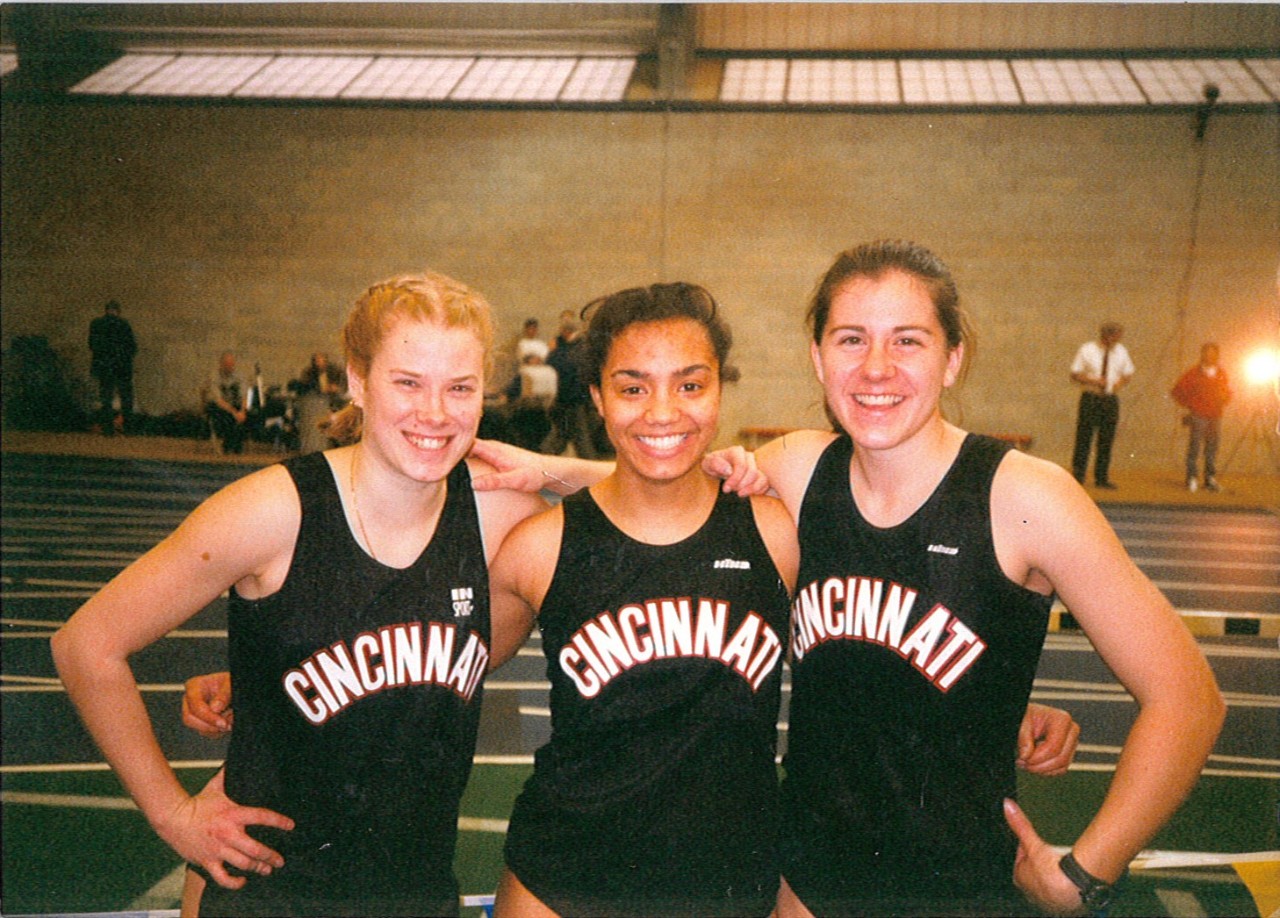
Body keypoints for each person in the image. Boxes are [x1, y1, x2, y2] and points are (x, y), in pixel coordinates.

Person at [472, 240, 1221, 917]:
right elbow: (666, 473)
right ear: (818, 357)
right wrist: (551, 470)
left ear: (954, 356)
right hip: (802, 884)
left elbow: (1188, 698)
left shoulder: (1027, 497)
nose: (876, 369)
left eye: (909, 341)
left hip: (958, 893)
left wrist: (1090, 868)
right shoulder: (799, 471)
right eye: (851, 340)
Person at [52, 271, 547, 917]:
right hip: (269, 894)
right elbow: (86, 644)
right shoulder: (272, 511)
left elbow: (475, 648)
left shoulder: (503, 510)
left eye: (460, 388)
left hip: (415, 893)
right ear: (355, 380)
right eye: (408, 382)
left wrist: (280, 672)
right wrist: (173, 813)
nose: (436, 413)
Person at [488, 282, 799, 916]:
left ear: (719, 390)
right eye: (634, 388)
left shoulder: (777, 530)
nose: (663, 412)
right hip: (563, 882)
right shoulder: (538, 548)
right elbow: (428, 680)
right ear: (598, 399)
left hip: (731, 886)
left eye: (690, 385)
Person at [1070, 321, 1135, 489]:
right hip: (1091, 397)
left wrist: (1118, 384)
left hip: (1109, 399)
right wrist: (1094, 380)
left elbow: (1128, 373)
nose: (1115, 341)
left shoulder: (1121, 351)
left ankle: (1101, 477)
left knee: (1106, 439)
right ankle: (1078, 476)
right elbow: (1075, 374)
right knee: (1084, 437)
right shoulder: (1087, 349)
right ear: (1105, 336)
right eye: (1113, 337)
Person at [1172, 343, 1231, 493]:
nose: (1209, 356)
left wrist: (1225, 399)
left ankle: (1209, 478)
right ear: (1202, 355)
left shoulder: (1221, 373)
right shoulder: (1193, 373)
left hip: (1215, 415)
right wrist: (1191, 405)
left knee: (1212, 447)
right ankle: (1192, 477)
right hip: (1198, 415)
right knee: (1195, 447)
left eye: (1213, 354)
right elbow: (1177, 391)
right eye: (1207, 353)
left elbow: (1227, 392)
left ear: (1217, 356)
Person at [544, 311, 601, 459]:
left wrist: (553, 352)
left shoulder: (577, 347)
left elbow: (560, 365)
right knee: (562, 437)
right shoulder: (573, 347)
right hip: (569, 399)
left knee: (579, 439)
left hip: (574, 399)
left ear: (566, 332)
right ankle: (542, 461)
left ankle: (592, 472)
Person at [88, 299, 137, 435]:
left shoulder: (97, 324)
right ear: (118, 311)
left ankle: (108, 429)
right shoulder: (123, 324)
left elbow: (92, 345)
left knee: (106, 398)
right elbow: (132, 346)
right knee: (126, 398)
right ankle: (128, 428)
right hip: (122, 367)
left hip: (105, 367)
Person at [205, 351, 250, 455]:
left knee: (248, 416)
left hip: (236, 404)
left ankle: (237, 443)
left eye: (231, 365)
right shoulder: (214, 377)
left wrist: (242, 412)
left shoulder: (240, 376)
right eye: (226, 365)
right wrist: (234, 412)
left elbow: (244, 395)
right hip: (220, 406)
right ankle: (229, 445)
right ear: (221, 364)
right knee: (226, 417)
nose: (229, 367)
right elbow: (218, 399)